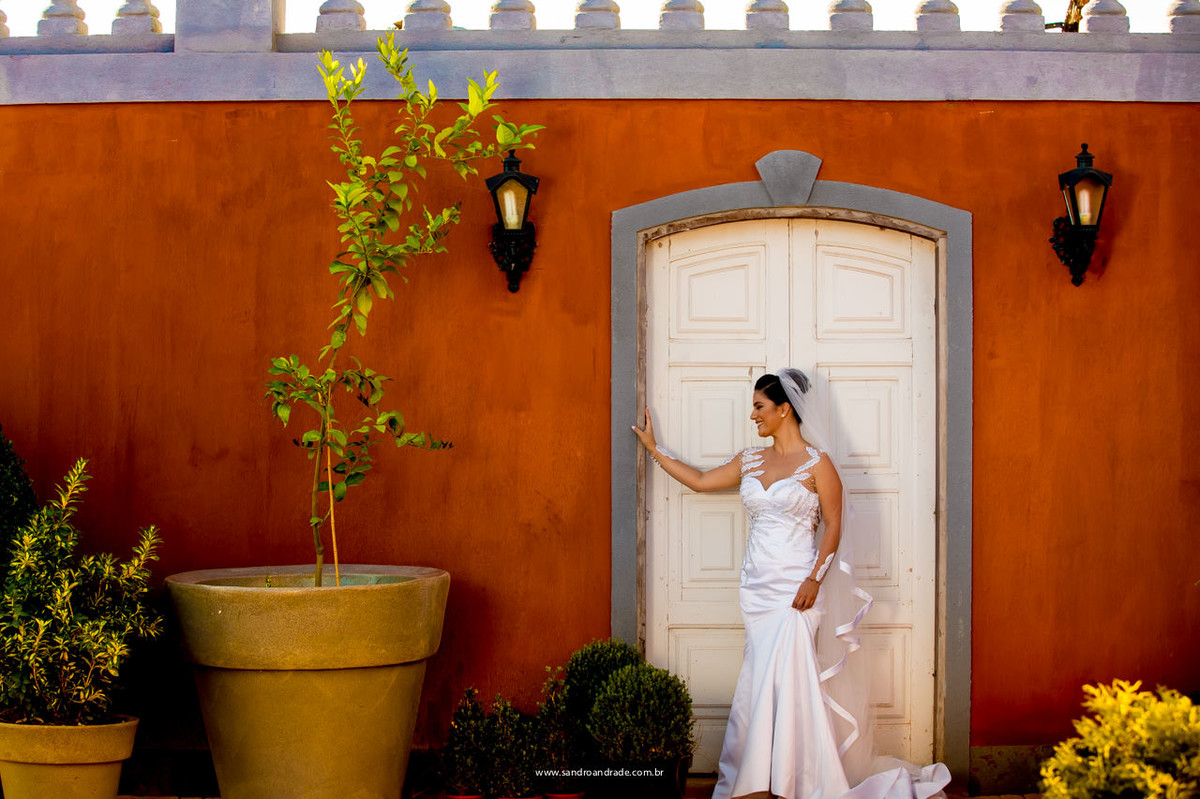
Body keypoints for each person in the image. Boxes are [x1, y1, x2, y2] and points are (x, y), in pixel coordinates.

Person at [632, 369, 949, 799]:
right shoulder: (749, 460)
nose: (753, 415)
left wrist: (814, 579)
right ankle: (756, 776)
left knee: (793, 677)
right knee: (760, 674)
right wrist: (655, 450)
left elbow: (834, 525)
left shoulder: (818, 464)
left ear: (784, 409)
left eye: (759, 406)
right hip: (756, 587)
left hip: (797, 588)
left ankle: (798, 778)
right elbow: (702, 481)